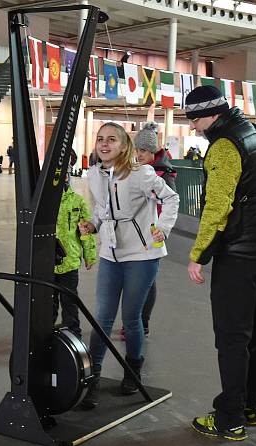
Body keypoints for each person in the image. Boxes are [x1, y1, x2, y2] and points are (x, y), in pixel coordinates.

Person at [184, 85, 256, 441]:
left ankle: (229, 419)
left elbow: (217, 205)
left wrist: (200, 254)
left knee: (230, 338)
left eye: (195, 119)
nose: (194, 127)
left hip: (240, 253)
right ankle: (250, 407)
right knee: (253, 334)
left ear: (211, 114)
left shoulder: (225, 145)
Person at [77, 122, 179, 408]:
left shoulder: (141, 174)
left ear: (124, 146)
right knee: (102, 317)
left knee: (131, 318)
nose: (104, 144)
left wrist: (163, 228)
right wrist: (93, 225)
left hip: (143, 253)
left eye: (111, 139)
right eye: (100, 139)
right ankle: (92, 379)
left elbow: (171, 198)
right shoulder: (94, 174)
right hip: (110, 253)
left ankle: (132, 372)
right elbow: (102, 209)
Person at [111, 121, 178, 340]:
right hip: (135, 232)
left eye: (142, 151)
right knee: (135, 278)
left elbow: (169, 200)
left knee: (147, 280)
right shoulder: (139, 169)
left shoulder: (165, 172)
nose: (138, 154)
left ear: (152, 152)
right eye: (136, 150)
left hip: (152, 232)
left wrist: (160, 225)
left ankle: (142, 323)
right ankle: (134, 322)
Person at [53, 173, 97, 338]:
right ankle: (43, 335)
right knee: (48, 301)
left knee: (69, 300)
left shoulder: (78, 201)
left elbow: (85, 231)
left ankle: (73, 334)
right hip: (48, 261)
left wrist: (89, 255)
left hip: (70, 260)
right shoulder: (46, 202)